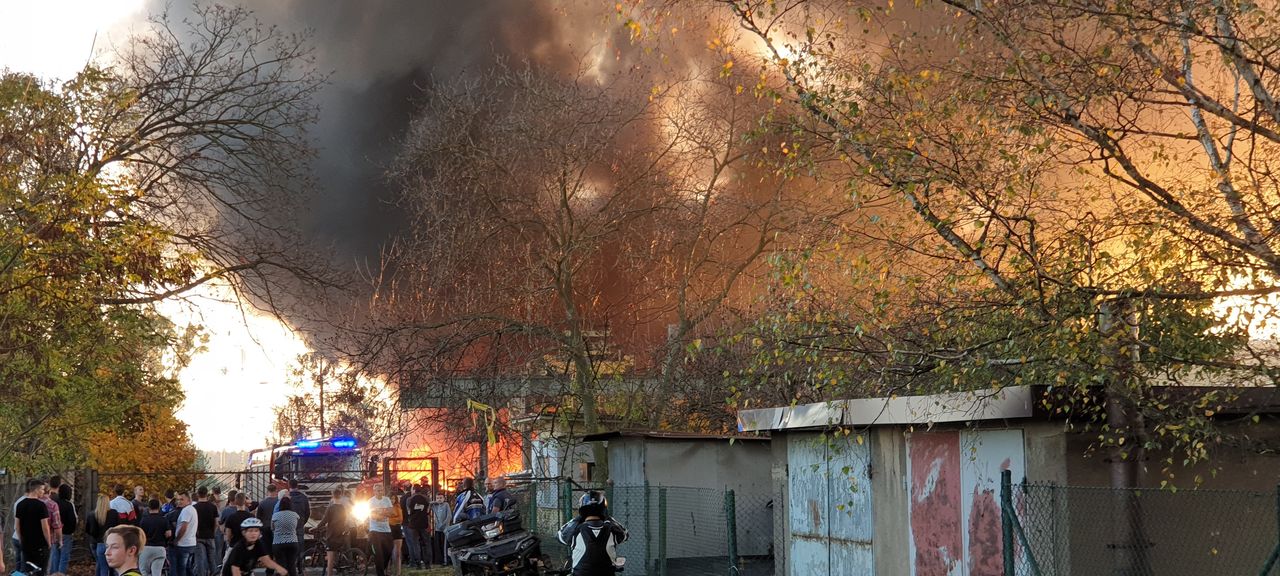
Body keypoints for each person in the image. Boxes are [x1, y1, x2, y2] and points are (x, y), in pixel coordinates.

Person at [557, 492, 628, 576]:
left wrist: (578, 518)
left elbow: (560, 535)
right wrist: (607, 517)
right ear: (603, 509)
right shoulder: (611, 529)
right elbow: (625, 535)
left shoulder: (575, 530)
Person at [221, 518, 289, 576]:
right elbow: (235, 569)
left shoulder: (258, 544)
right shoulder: (239, 547)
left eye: (256, 531)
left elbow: (267, 561)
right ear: (244, 533)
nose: (253, 533)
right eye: (250, 531)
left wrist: (280, 569)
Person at [15, 479, 52, 576]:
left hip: (26, 544)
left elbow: (17, 526)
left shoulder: (20, 504)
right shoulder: (41, 506)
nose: (43, 492)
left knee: (27, 571)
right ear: (37, 490)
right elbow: (45, 527)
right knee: (40, 571)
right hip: (40, 544)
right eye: (42, 489)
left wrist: (21, 539)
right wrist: (48, 542)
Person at [313, 489, 351, 576]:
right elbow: (344, 520)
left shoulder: (330, 508)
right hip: (340, 533)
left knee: (330, 559)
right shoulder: (343, 508)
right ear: (340, 495)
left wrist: (316, 527)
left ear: (332, 496)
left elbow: (324, 520)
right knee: (337, 552)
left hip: (332, 534)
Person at [85, 494, 121, 576]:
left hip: (97, 543)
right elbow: (118, 528)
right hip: (111, 544)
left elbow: (88, 530)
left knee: (101, 565)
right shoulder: (114, 513)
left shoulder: (92, 514)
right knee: (110, 568)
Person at [367, 483, 394, 576]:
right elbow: (373, 516)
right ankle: (380, 573)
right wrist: (384, 512)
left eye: (381, 490)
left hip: (386, 530)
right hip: (375, 531)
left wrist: (379, 512)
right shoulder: (370, 501)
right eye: (378, 490)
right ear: (374, 491)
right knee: (378, 554)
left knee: (389, 551)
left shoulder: (386, 500)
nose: (380, 492)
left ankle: (382, 568)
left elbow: (391, 513)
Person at [138, 499, 170, 576]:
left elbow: (140, 535)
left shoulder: (144, 520)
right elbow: (169, 533)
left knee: (144, 572)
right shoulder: (164, 519)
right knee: (157, 573)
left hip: (146, 548)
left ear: (148, 508)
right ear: (159, 507)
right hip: (160, 548)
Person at [269, 498, 300, 576]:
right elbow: (296, 527)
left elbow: (272, 528)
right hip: (293, 542)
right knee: (292, 565)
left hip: (278, 543)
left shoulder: (275, 515)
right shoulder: (295, 515)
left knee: (281, 566)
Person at [193, 487, 219, 576]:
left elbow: (194, 523)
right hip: (210, 535)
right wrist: (213, 532)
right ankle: (214, 573)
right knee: (211, 558)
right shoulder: (213, 507)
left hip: (198, 536)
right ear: (207, 494)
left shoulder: (194, 508)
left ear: (197, 494)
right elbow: (216, 523)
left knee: (200, 559)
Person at [39, 481, 63, 576]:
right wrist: (60, 540)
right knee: (46, 568)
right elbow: (57, 525)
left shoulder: (32, 502)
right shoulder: (52, 505)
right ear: (49, 492)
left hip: (31, 539)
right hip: (48, 539)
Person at [402, 485, 429, 569]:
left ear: (413, 490)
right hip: (424, 524)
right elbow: (428, 510)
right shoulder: (426, 498)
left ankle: (418, 564)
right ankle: (427, 564)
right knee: (426, 544)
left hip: (413, 524)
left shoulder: (409, 499)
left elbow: (409, 512)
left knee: (415, 544)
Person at [52, 485, 76, 576]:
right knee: (64, 556)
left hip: (54, 533)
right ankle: (61, 573)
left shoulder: (54, 503)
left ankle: (54, 573)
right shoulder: (68, 505)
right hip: (66, 533)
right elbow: (72, 520)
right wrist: (71, 531)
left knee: (55, 555)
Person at [173, 491, 198, 576]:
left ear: (188, 500)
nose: (179, 501)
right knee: (188, 567)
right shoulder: (192, 509)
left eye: (182, 499)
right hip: (191, 543)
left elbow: (184, 527)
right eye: (178, 499)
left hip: (184, 544)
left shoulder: (186, 510)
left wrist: (177, 539)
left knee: (182, 568)